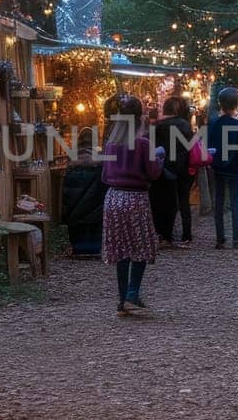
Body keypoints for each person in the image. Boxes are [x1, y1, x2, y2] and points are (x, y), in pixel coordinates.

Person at [101, 94, 162, 315]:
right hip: (135, 198)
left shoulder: (110, 144)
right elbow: (153, 173)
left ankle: (121, 299)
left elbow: (104, 176)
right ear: (140, 118)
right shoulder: (144, 143)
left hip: (114, 197)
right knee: (140, 247)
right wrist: (160, 158)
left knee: (121, 250)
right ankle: (132, 293)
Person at [205, 87, 238, 249]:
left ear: (220, 104)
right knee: (236, 201)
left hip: (217, 166)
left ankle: (220, 238)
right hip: (235, 167)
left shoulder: (213, 123)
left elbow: (208, 144)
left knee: (219, 201)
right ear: (237, 104)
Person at [151, 96, 196, 245]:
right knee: (184, 201)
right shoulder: (185, 125)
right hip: (183, 167)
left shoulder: (158, 126)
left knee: (166, 202)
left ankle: (166, 234)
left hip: (165, 168)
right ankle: (187, 234)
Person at [60, 134, 107, 258]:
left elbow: (67, 190)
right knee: (93, 220)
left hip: (74, 207)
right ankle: (93, 248)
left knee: (76, 222)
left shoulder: (72, 160)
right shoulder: (100, 161)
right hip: (93, 206)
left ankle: (78, 248)